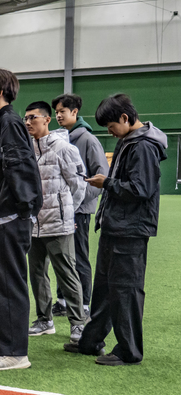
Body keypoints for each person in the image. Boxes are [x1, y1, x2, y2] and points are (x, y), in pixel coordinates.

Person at [66, 94, 167, 366]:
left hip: (130, 230)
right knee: (105, 289)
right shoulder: (129, 142)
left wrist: (107, 184)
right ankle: (91, 341)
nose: (109, 132)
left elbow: (141, 189)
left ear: (125, 118)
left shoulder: (143, 147)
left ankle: (129, 351)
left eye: (111, 126)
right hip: (115, 226)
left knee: (126, 291)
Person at [0, 69, 43, 370]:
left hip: (9, 217)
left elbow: (20, 168)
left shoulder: (10, 123)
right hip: (3, 216)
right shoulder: (5, 123)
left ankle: (16, 353)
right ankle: (7, 345)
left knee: (8, 284)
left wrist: (24, 209)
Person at [23, 100, 87, 344]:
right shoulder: (27, 149)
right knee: (37, 274)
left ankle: (78, 324)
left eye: (33, 118)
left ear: (46, 120)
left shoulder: (63, 148)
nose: (28, 122)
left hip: (59, 224)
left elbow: (78, 186)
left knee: (67, 274)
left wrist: (68, 214)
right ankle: (44, 320)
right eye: (26, 119)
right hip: (33, 225)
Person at [51, 93, 109, 319]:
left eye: (62, 112)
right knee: (61, 257)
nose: (58, 116)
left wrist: (79, 200)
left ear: (74, 112)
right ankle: (63, 301)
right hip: (61, 210)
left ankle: (84, 304)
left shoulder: (87, 140)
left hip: (79, 211)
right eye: (56, 112)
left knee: (79, 258)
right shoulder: (59, 139)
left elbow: (102, 175)